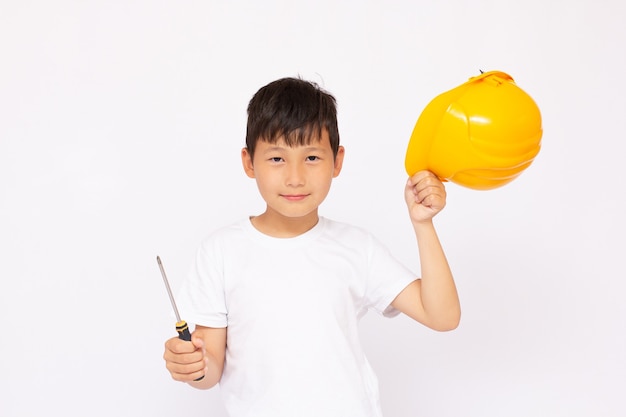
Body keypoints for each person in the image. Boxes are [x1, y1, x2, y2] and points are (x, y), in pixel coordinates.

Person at [163, 77, 460, 417]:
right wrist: (192, 365)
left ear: (337, 161)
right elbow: (209, 368)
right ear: (249, 162)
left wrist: (423, 224)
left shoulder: (357, 247)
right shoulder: (221, 251)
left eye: (312, 158)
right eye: (277, 158)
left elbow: (443, 316)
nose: (295, 177)